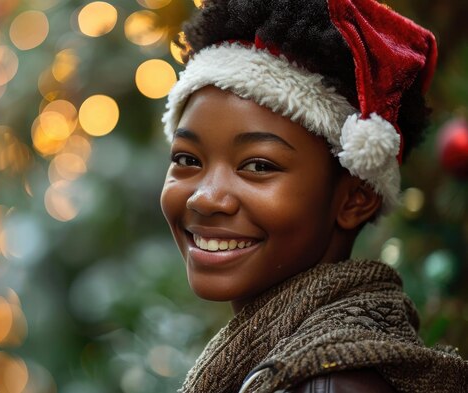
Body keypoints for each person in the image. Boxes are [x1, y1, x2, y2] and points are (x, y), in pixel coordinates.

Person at [159, 0, 468, 391]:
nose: (204, 198)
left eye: (258, 166)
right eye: (187, 158)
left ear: (355, 199)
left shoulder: (333, 382)